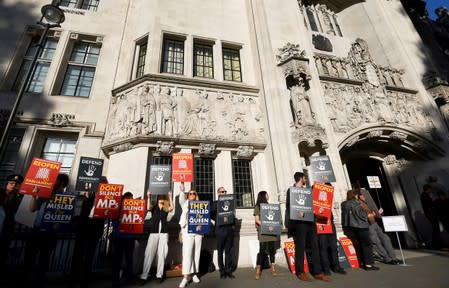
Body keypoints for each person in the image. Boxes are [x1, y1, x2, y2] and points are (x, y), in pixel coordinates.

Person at [24, 173, 70, 287]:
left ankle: (39, 282)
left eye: (56, 181)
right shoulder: (45, 195)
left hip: (50, 234)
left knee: (43, 262)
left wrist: (58, 224)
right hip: (37, 231)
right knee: (29, 259)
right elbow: (32, 209)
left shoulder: (66, 199)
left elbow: (64, 217)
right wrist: (34, 196)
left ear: (61, 183)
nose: (53, 182)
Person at [285, 172, 331, 282]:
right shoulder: (291, 190)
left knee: (315, 246)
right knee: (300, 247)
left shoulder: (308, 190)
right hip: (300, 222)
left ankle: (318, 272)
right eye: (305, 177)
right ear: (301, 178)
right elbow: (289, 205)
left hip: (310, 221)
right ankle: (300, 272)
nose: (306, 179)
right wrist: (298, 211)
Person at [70, 176, 108, 288]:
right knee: (78, 254)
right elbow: (81, 204)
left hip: (95, 229)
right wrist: (87, 191)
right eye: (102, 184)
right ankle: (73, 278)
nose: (103, 186)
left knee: (89, 255)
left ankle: (84, 280)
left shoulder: (106, 199)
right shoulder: (89, 194)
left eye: (105, 184)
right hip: (84, 228)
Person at [139, 191, 174, 285]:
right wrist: (149, 196)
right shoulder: (154, 206)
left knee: (162, 254)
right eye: (160, 196)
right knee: (149, 253)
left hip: (163, 232)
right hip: (153, 232)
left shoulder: (166, 207)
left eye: (163, 196)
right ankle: (144, 275)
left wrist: (170, 197)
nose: (161, 198)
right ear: (158, 197)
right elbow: (147, 208)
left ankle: (159, 275)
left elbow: (172, 208)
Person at [357, 190, 400, 265]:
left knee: (386, 239)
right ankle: (387, 258)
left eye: (365, 195)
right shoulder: (359, 204)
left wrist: (378, 212)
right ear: (359, 196)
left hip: (375, 223)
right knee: (376, 242)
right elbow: (364, 217)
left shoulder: (368, 202)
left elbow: (374, 214)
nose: (365, 197)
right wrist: (375, 213)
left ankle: (393, 257)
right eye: (363, 195)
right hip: (369, 225)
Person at [341, 189, 379, 270]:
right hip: (361, 226)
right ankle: (369, 264)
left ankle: (362, 262)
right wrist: (371, 214)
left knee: (360, 245)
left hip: (351, 227)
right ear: (355, 195)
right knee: (367, 245)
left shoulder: (344, 205)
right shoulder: (356, 204)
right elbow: (361, 215)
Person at [111, 191, 136, 286]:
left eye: (131, 199)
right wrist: (120, 220)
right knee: (117, 260)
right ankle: (115, 280)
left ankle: (129, 279)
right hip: (119, 238)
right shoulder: (117, 210)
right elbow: (113, 223)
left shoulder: (133, 210)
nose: (130, 200)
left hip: (130, 238)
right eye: (129, 199)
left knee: (129, 259)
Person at [178, 190, 203, 288]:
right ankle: (186, 276)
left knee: (196, 253)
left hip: (198, 231)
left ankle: (194, 274)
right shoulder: (185, 203)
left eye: (194, 193)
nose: (192, 195)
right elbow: (181, 199)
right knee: (187, 253)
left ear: (196, 195)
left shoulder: (200, 204)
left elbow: (204, 215)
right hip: (187, 231)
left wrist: (211, 222)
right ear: (188, 195)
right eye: (190, 193)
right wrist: (182, 189)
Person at [253, 191, 279, 280]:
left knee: (272, 250)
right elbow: (257, 220)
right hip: (263, 231)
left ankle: (273, 267)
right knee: (262, 250)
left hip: (271, 231)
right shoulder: (258, 207)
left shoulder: (270, 207)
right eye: (267, 194)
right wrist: (266, 226)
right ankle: (258, 269)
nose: (268, 195)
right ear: (264, 196)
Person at [0, 174, 24, 266]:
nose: (14, 186)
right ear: (7, 184)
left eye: (17, 184)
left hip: (7, 231)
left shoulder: (19, 198)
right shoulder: (1, 194)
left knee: (3, 254)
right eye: (11, 183)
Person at [212, 187, 235, 279]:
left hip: (229, 229)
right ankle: (222, 271)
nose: (224, 192)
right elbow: (210, 213)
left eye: (225, 191)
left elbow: (231, 214)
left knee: (228, 251)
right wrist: (217, 221)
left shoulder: (229, 202)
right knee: (220, 251)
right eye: (222, 191)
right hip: (220, 229)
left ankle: (228, 270)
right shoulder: (215, 203)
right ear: (218, 193)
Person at [420, 184, 440, 249]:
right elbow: (429, 205)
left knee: (435, 228)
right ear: (427, 189)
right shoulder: (424, 196)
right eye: (430, 189)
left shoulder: (424, 195)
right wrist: (432, 199)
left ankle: (436, 244)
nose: (431, 190)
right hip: (431, 214)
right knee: (435, 228)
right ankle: (436, 244)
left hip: (431, 214)